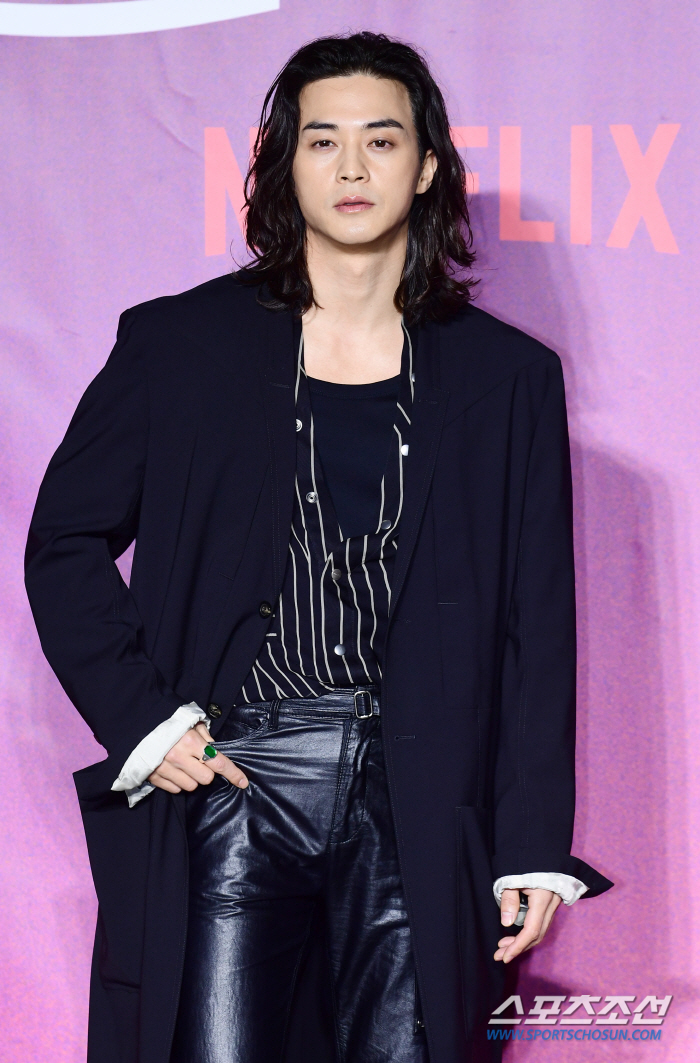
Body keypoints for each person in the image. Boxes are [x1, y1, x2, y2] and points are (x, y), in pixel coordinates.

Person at [25, 31, 613, 1063]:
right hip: (235, 780)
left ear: (425, 166)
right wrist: (145, 720)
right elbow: (63, 539)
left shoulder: (506, 377)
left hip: (419, 795)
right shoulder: (179, 346)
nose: (351, 168)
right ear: (284, 165)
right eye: (321, 140)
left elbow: (536, 624)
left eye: (380, 141)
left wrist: (528, 840)